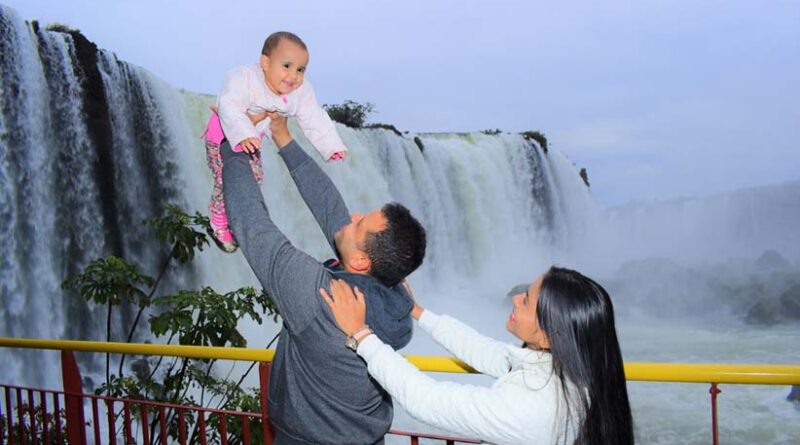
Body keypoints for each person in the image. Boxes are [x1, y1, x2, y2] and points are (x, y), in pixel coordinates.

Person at [221, 113, 427, 445]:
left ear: (361, 261)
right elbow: (330, 207)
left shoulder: (323, 296)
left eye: (361, 224)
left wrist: (232, 140)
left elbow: (253, 226)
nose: (353, 216)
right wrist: (283, 138)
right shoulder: (392, 296)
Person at [320, 267, 634, 445]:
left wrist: (361, 334)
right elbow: (485, 351)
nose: (515, 297)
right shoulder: (567, 370)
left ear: (551, 335)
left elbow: (426, 401)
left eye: (526, 301)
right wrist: (417, 312)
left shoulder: (535, 406)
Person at [205, 31, 347, 252]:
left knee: (255, 179)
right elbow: (229, 104)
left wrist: (332, 146)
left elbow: (314, 117)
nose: (294, 75)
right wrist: (243, 132)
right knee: (225, 179)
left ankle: (232, 216)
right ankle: (217, 220)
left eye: (301, 69)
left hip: (253, 139)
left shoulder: (300, 91)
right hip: (222, 136)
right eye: (287, 66)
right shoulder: (243, 78)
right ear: (265, 62)